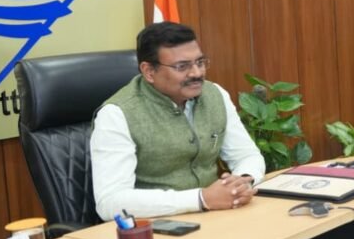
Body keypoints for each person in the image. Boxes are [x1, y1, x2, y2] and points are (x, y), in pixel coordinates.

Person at [91, 22, 265, 221]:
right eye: (182, 66)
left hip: (217, 217)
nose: (196, 73)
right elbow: (110, 203)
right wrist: (201, 199)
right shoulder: (116, 114)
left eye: (200, 62)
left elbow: (246, 155)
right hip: (157, 226)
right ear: (149, 71)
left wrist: (242, 182)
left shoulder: (215, 94)